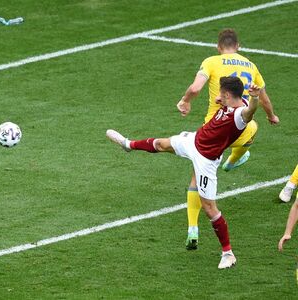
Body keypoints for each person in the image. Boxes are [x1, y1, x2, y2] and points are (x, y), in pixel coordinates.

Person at [107, 76, 261, 269]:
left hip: (206, 160)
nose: (218, 96)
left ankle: (228, 253)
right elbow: (235, 103)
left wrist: (256, 98)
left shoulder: (241, 114)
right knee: (161, 144)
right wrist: (222, 101)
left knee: (210, 209)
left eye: (221, 93)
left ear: (228, 94)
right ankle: (128, 145)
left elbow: (250, 111)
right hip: (195, 141)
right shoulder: (235, 101)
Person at [175, 28, 279, 250]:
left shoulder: (212, 61)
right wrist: (272, 116)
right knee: (251, 129)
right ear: (238, 46)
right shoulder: (251, 65)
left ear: (218, 46)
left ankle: (193, 228)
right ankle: (232, 161)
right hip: (239, 128)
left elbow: (195, 87)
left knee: (196, 177)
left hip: (213, 132)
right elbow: (262, 98)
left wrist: (185, 101)